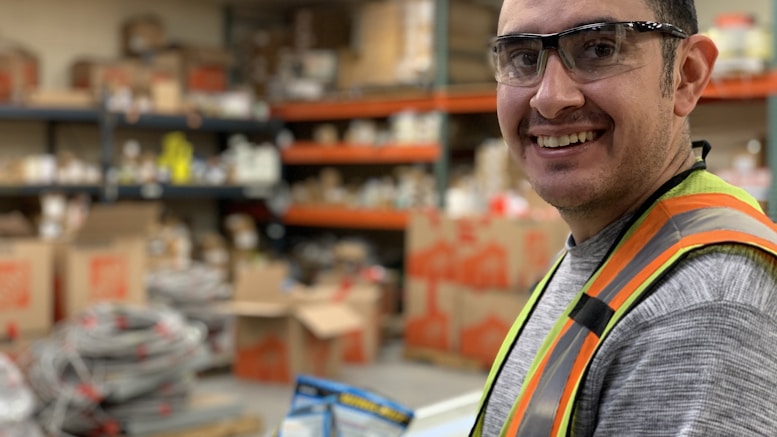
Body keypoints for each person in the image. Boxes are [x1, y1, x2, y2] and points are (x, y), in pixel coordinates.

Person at [469, 0, 777, 436]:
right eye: (522, 56)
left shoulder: (705, 304)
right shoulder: (610, 247)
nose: (551, 98)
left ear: (685, 76)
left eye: (598, 48)